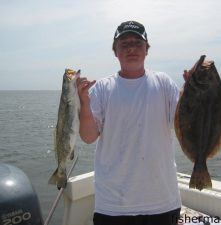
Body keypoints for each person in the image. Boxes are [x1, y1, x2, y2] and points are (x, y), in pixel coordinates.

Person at [77, 20, 193, 225]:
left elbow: (184, 123)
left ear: (147, 50)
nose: (131, 48)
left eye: (138, 43)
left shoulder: (163, 82)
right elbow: (87, 137)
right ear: (115, 51)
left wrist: (191, 90)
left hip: (163, 200)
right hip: (113, 204)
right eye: (124, 44)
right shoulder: (102, 88)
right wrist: (84, 105)